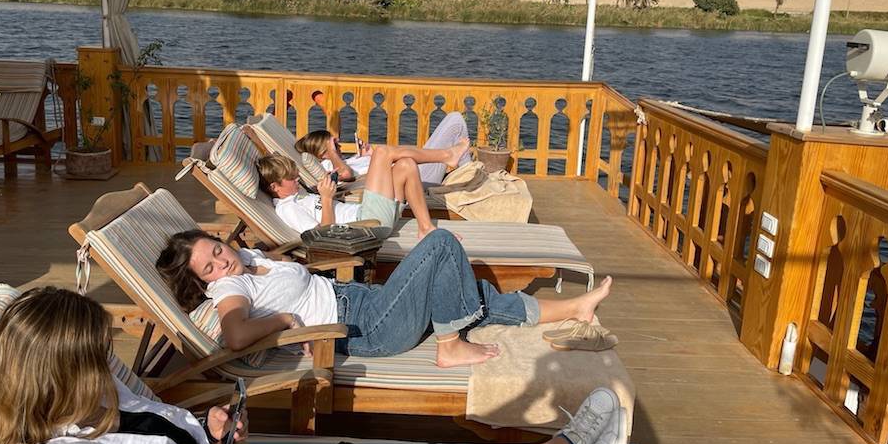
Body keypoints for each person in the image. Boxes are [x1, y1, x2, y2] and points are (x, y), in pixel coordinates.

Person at [0, 286, 629, 444]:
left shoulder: (82, 397)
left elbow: (157, 419)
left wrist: (204, 426)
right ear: (52, 378)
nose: (108, 365)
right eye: (94, 357)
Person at [157, 228, 613, 368]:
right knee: (440, 244)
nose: (223, 264)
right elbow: (235, 335)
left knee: (468, 294)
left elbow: (258, 260)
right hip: (365, 327)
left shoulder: (248, 256)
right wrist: (281, 318)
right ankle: (450, 347)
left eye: (217, 250)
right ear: (204, 282)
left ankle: (574, 308)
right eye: (210, 268)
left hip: (362, 302)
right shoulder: (230, 289)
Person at [258, 137, 469, 240]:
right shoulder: (287, 209)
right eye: (291, 178)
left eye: (296, 175)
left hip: (369, 214)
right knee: (383, 152)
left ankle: (426, 228)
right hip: (368, 224)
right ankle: (446, 156)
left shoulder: (296, 196)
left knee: (406, 165)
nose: (297, 179)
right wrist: (327, 199)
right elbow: (323, 235)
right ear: (275, 186)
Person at [295, 112, 473, 184]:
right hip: (416, 180)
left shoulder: (344, 162)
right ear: (323, 153)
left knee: (454, 119)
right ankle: (467, 172)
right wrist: (333, 153)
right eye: (334, 144)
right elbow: (346, 175)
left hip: (412, 171)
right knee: (455, 122)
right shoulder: (329, 168)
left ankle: (467, 171)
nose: (339, 145)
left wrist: (369, 153)